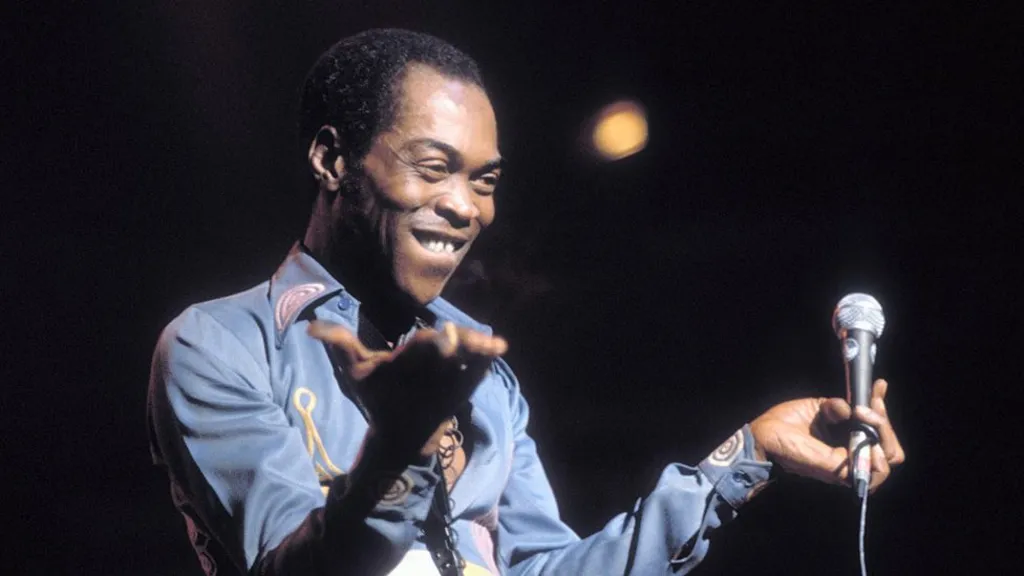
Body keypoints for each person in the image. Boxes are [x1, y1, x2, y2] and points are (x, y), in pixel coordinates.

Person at [147, 28, 905, 576]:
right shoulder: (219, 345)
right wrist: (400, 449)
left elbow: (548, 570)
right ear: (332, 158)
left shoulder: (484, 372)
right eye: (434, 167)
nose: (465, 206)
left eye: (484, 180)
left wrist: (748, 455)